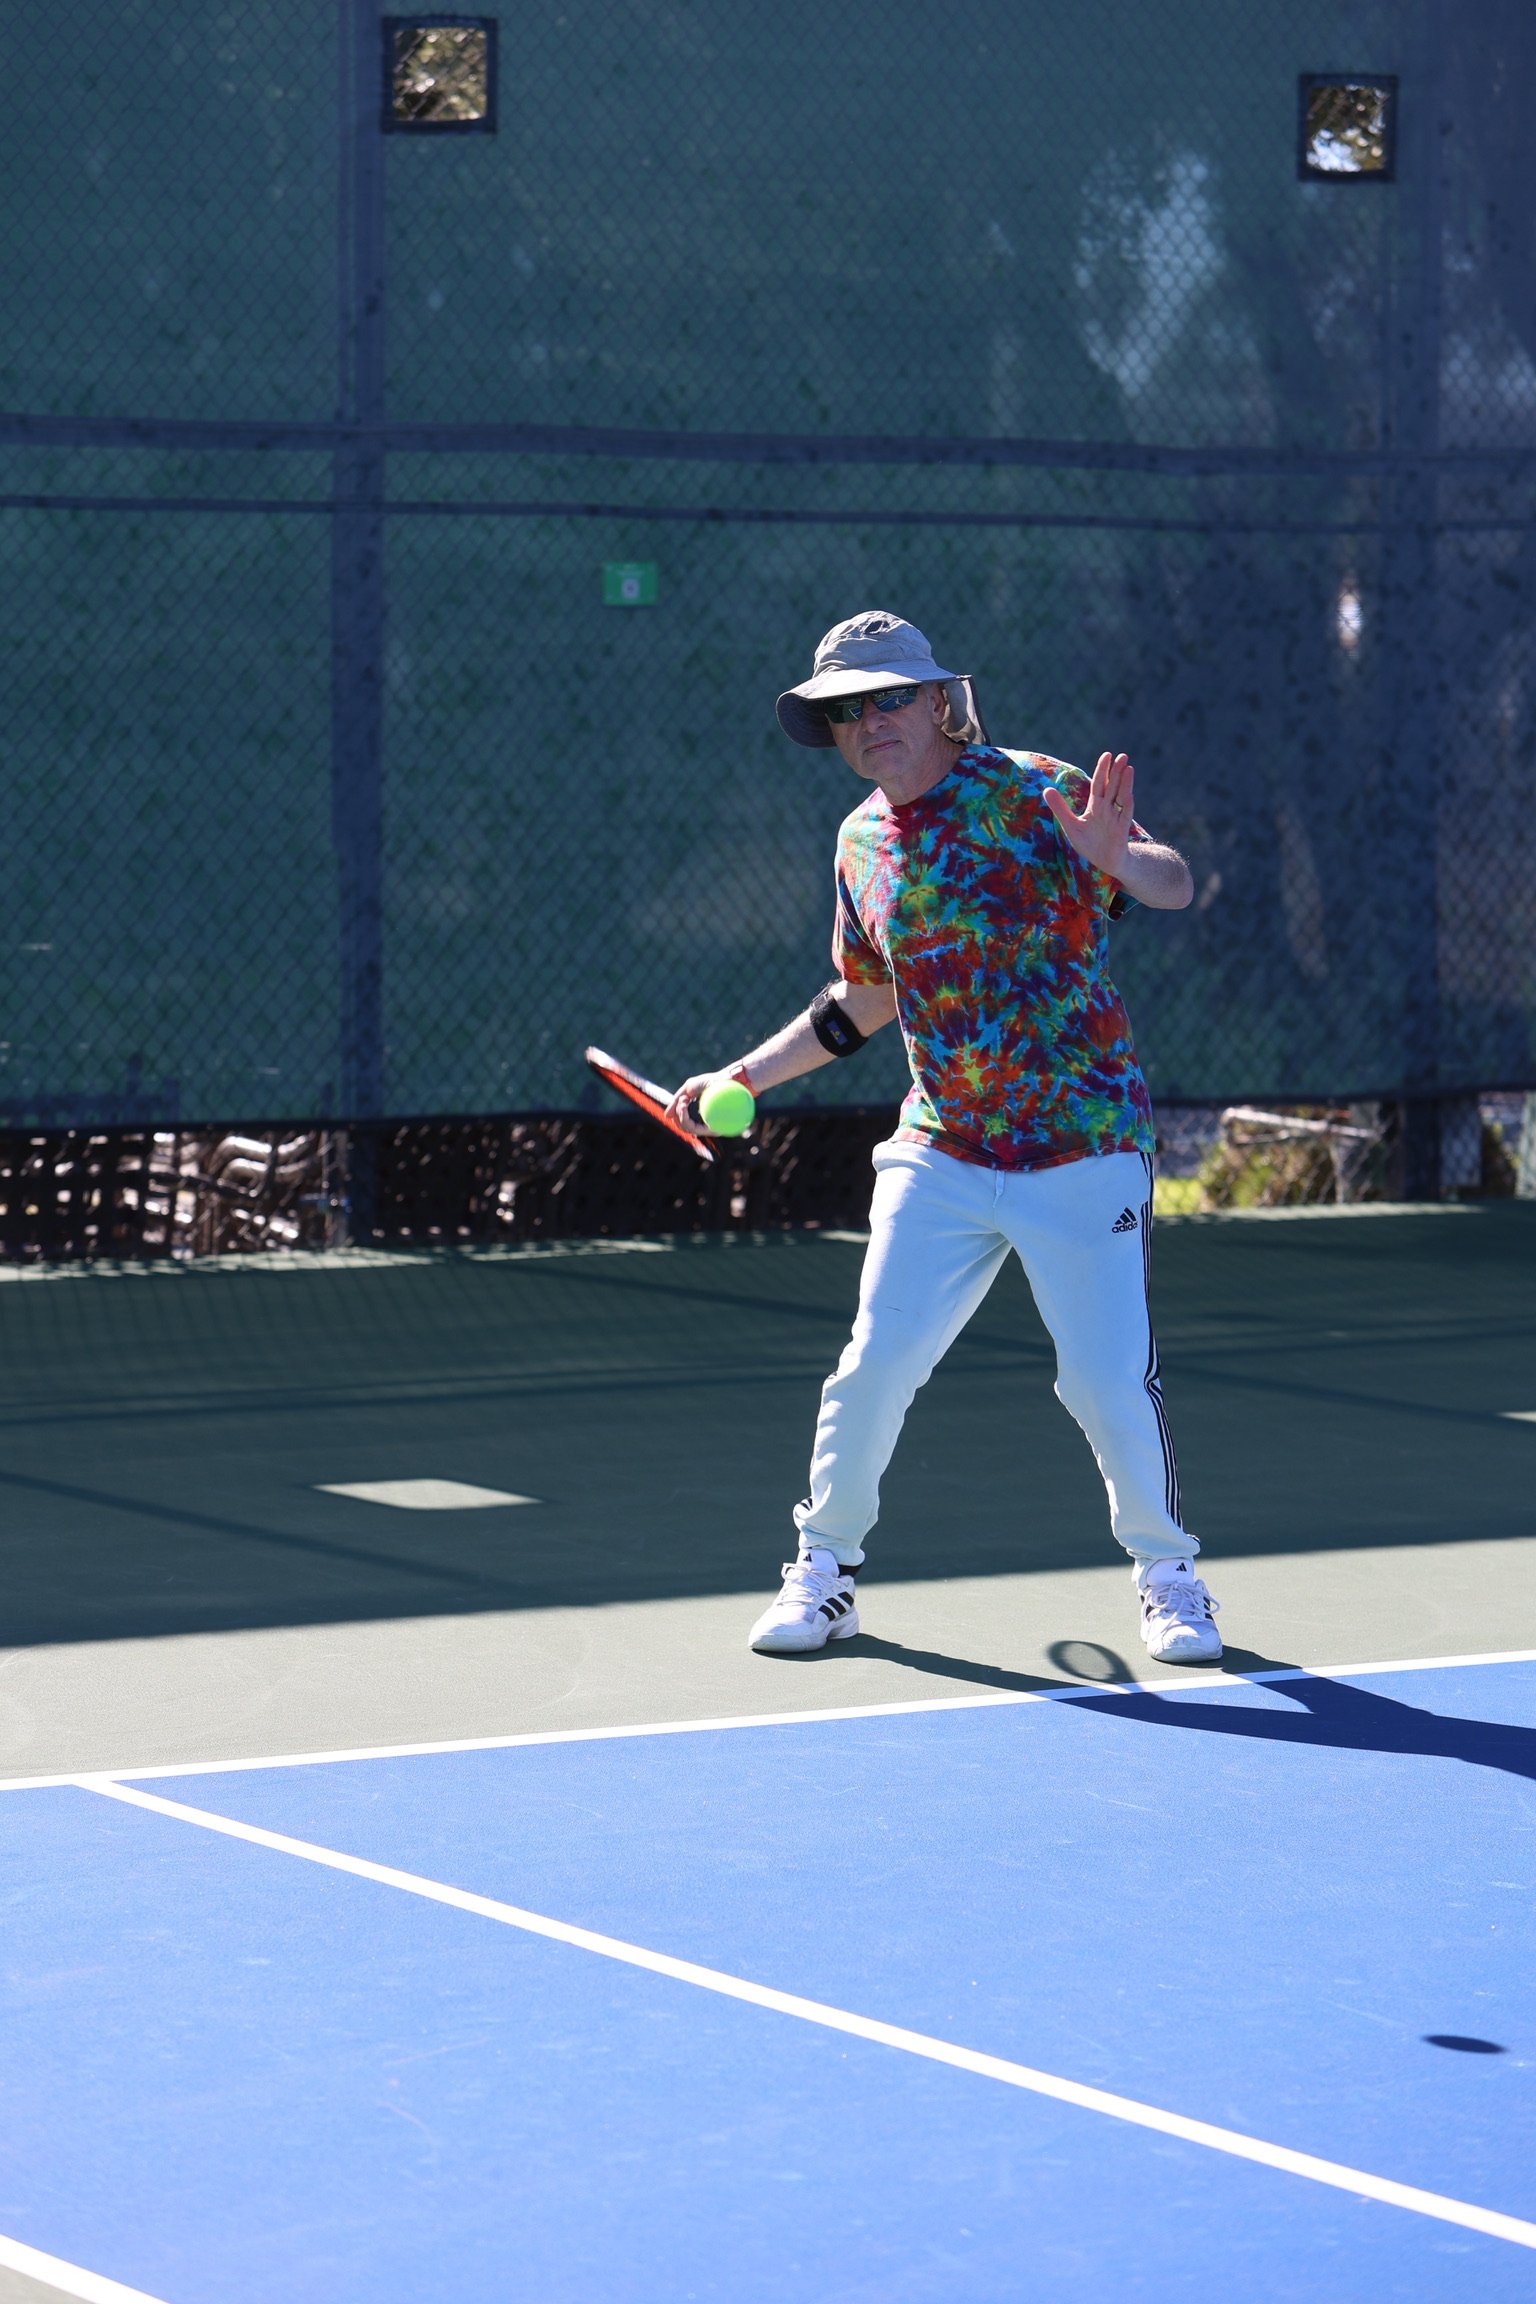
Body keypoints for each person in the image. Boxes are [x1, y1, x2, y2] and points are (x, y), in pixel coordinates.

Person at [666, 609, 1221, 1668]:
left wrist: (1118, 857)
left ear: (937, 702)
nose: (868, 721)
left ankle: (1169, 1578)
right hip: (944, 1152)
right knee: (874, 1363)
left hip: (1084, 1143)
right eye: (845, 710)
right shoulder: (860, 842)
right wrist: (743, 1075)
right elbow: (864, 997)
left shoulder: (1036, 790)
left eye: (888, 697)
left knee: (1105, 1383)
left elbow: (1174, 882)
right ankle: (825, 1572)